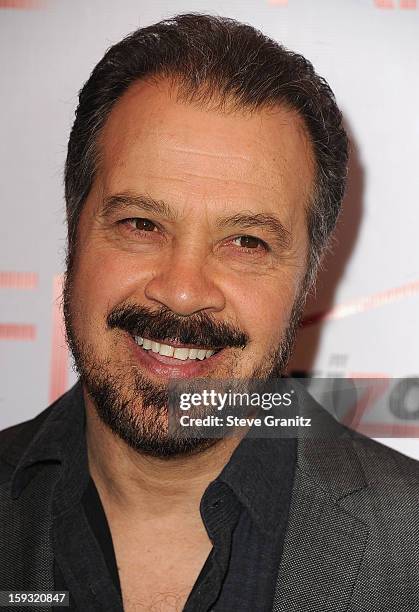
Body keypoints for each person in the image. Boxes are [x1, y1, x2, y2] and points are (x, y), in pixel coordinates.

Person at [0, 13, 418, 612]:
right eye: (141, 224)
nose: (182, 290)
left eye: (246, 242)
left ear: (307, 277)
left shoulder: (410, 548)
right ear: (75, 233)